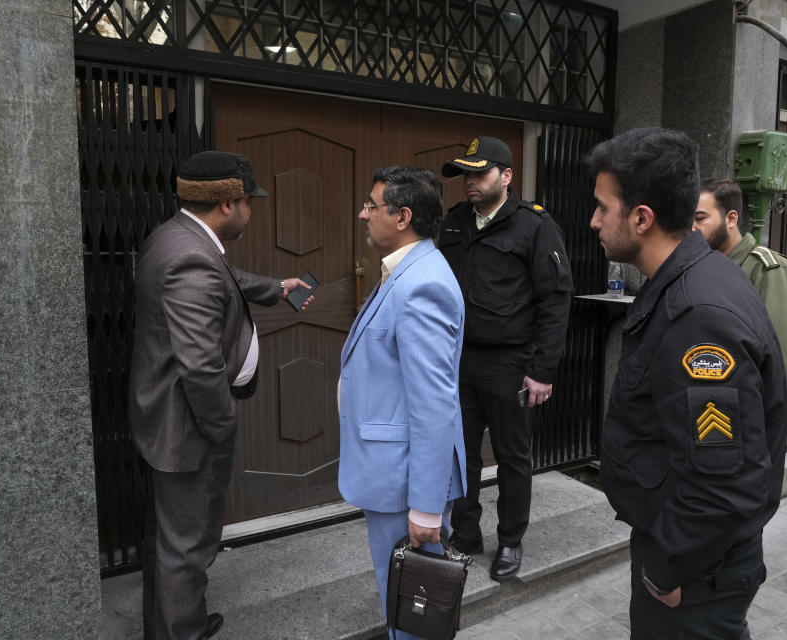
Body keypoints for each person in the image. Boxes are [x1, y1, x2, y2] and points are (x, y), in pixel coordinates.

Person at [586, 128, 787, 640]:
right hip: (693, 553)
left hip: (695, 569)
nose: (593, 221)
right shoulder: (695, 276)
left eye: (602, 208)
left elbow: (724, 480)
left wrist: (667, 568)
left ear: (641, 218)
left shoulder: (698, 314)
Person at [129, 151, 313, 640]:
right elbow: (200, 365)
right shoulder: (192, 256)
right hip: (187, 425)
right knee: (187, 543)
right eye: (250, 202)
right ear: (229, 204)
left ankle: (174, 621)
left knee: (171, 540)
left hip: (169, 416)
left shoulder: (178, 236)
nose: (253, 211)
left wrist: (276, 286)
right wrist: (222, 426)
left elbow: (223, 281)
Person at [339, 166, 466, 640]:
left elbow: (434, 404)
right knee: (406, 606)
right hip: (394, 474)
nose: (363, 213)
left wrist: (427, 508)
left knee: (414, 612)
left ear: (402, 216)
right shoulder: (408, 268)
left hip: (405, 483)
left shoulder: (422, 284)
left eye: (372, 206)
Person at [437, 136, 573, 581]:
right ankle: (466, 533)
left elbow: (555, 300)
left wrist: (542, 371)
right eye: (466, 175)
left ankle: (511, 539)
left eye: (479, 173)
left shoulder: (534, 226)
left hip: (511, 364)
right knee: (462, 455)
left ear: (507, 176)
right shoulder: (456, 221)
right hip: (460, 360)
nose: (470, 183)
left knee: (513, 456)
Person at [694, 178, 787, 449]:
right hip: (709, 425)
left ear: (731, 218)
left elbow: (784, 360)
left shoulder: (769, 271)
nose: (691, 228)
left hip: (752, 433)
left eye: (700, 218)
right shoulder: (703, 268)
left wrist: (754, 429)